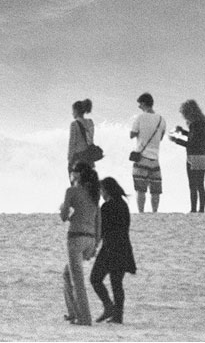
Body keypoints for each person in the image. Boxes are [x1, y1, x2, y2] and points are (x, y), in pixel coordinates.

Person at [90, 177, 136, 324]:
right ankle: (118, 315)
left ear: (107, 191)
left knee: (95, 279)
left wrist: (94, 245)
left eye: (102, 190)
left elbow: (101, 230)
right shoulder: (123, 205)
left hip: (110, 247)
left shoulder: (106, 207)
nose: (101, 193)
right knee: (117, 283)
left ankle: (108, 306)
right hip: (123, 246)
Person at [60, 162, 100, 326]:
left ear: (77, 175)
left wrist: (63, 208)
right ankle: (73, 313)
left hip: (76, 238)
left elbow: (64, 216)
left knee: (77, 280)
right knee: (67, 274)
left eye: (72, 172)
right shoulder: (94, 193)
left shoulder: (71, 191)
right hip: (90, 239)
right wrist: (95, 245)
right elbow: (98, 221)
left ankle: (84, 318)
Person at [169, 99, 205, 213]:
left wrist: (176, 140)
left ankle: (193, 209)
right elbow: (196, 138)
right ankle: (201, 209)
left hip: (193, 157)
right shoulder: (203, 123)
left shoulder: (195, 124)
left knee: (193, 185)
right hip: (203, 156)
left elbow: (191, 144)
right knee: (201, 185)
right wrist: (183, 131)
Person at [129, 92, 166, 213]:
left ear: (144, 103)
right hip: (155, 159)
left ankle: (141, 212)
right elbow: (160, 138)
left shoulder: (139, 117)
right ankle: (155, 212)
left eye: (139, 104)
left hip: (141, 158)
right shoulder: (161, 119)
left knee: (141, 189)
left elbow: (132, 134)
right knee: (155, 190)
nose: (139, 107)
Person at [67, 99, 95, 172]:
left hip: (78, 159)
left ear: (76, 111)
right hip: (89, 158)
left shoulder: (74, 124)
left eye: (73, 111)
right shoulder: (90, 122)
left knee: (78, 182)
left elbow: (72, 144)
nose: (72, 113)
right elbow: (91, 140)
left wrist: (69, 160)